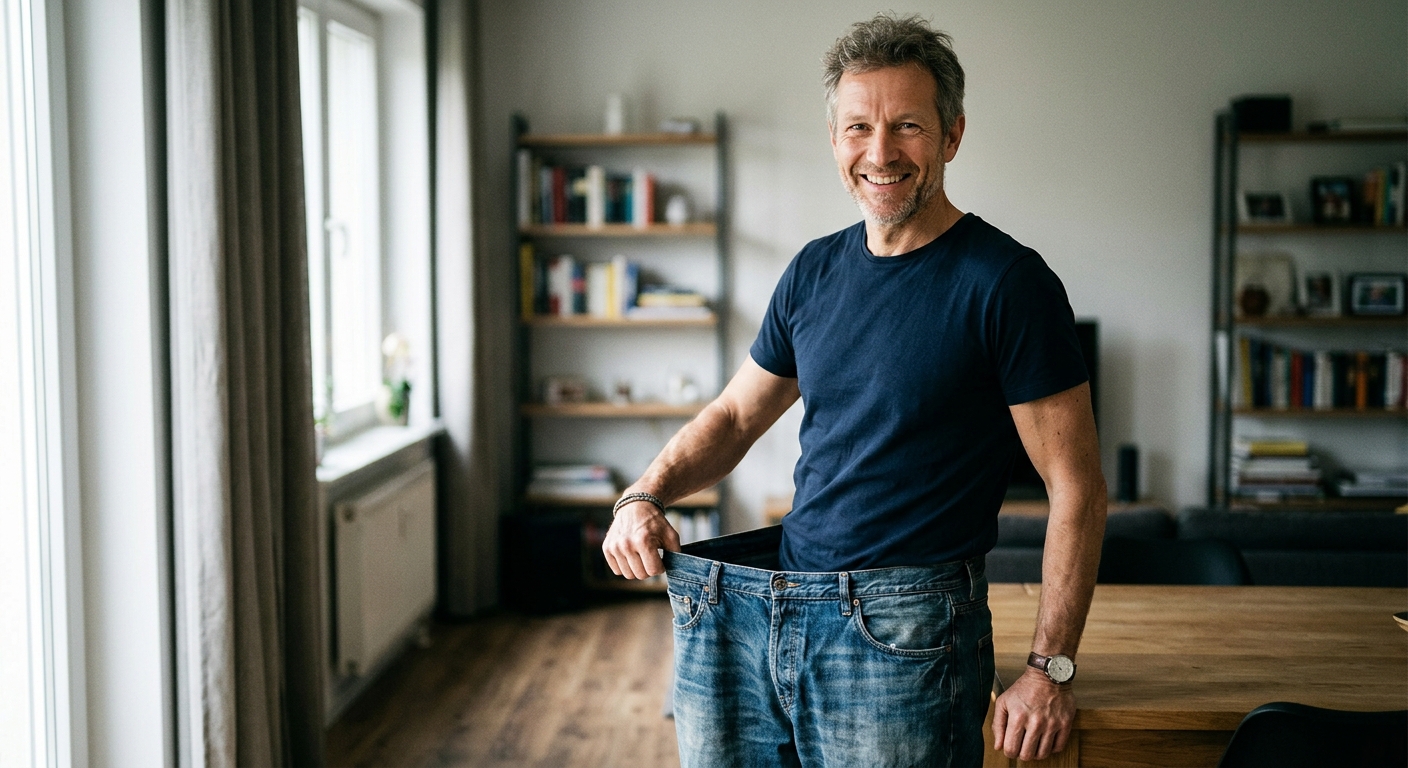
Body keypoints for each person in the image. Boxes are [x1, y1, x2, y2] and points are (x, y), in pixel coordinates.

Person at [602, 13, 1106, 767]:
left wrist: (1049, 668)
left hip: (906, 637)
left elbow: (1078, 488)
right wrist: (642, 496)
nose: (880, 152)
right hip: (768, 609)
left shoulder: (1007, 284)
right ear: (835, 138)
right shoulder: (812, 271)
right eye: (858, 127)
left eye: (906, 126)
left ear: (952, 136)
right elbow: (737, 416)